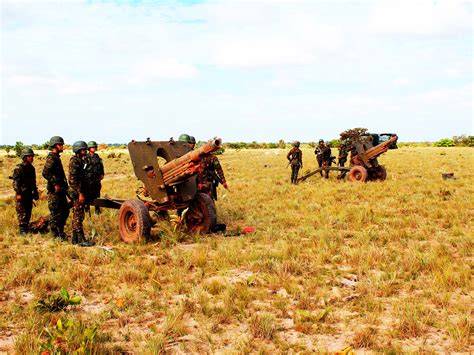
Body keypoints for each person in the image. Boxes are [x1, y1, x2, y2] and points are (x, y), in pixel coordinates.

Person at [42, 136, 69, 241]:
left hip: (61, 190)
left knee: (64, 211)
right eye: (60, 144)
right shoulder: (52, 157)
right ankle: (55, 236)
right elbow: (45, 172)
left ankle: (60, 232)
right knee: (55, 213)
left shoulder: (56, 157)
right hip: (54, 191)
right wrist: (55, 183)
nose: (62, 146)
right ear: (55, 146)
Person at [68, 141, 94, 246]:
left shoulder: (82, 160)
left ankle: (75, 239)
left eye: (85, 149)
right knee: (78, 215)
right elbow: (73, 180)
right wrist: (80, 193)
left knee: (78, 214)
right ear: (77, 150)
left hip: (82, 191)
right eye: (83, 149)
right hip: (78, 192)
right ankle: (80, 239)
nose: (85, 151)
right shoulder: (74, 161)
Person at [11, 148, 39, 234]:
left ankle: (26, 228)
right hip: (22, 194)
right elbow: (15, 182)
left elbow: (33, 182)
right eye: (29, 156)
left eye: (32, 156)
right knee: (21, 212)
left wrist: (35, 192)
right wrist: (18, 193)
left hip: (29, 194)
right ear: (24, 157)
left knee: (28, 211)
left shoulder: (31, 168)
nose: (32, 158)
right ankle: (22, 230)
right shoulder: (19, 168)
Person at [85, 141, 104, 214]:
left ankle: (97, 210)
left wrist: (102, 174)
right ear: (89, 148)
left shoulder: (97, 156)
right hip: (88, 181)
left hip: (96, 180)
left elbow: (101, 166)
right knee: (87, 195)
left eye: (95, 147)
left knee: (97, 195)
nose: (94, 148)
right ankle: (87, 210)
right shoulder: (86, 157)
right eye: (92, 147)